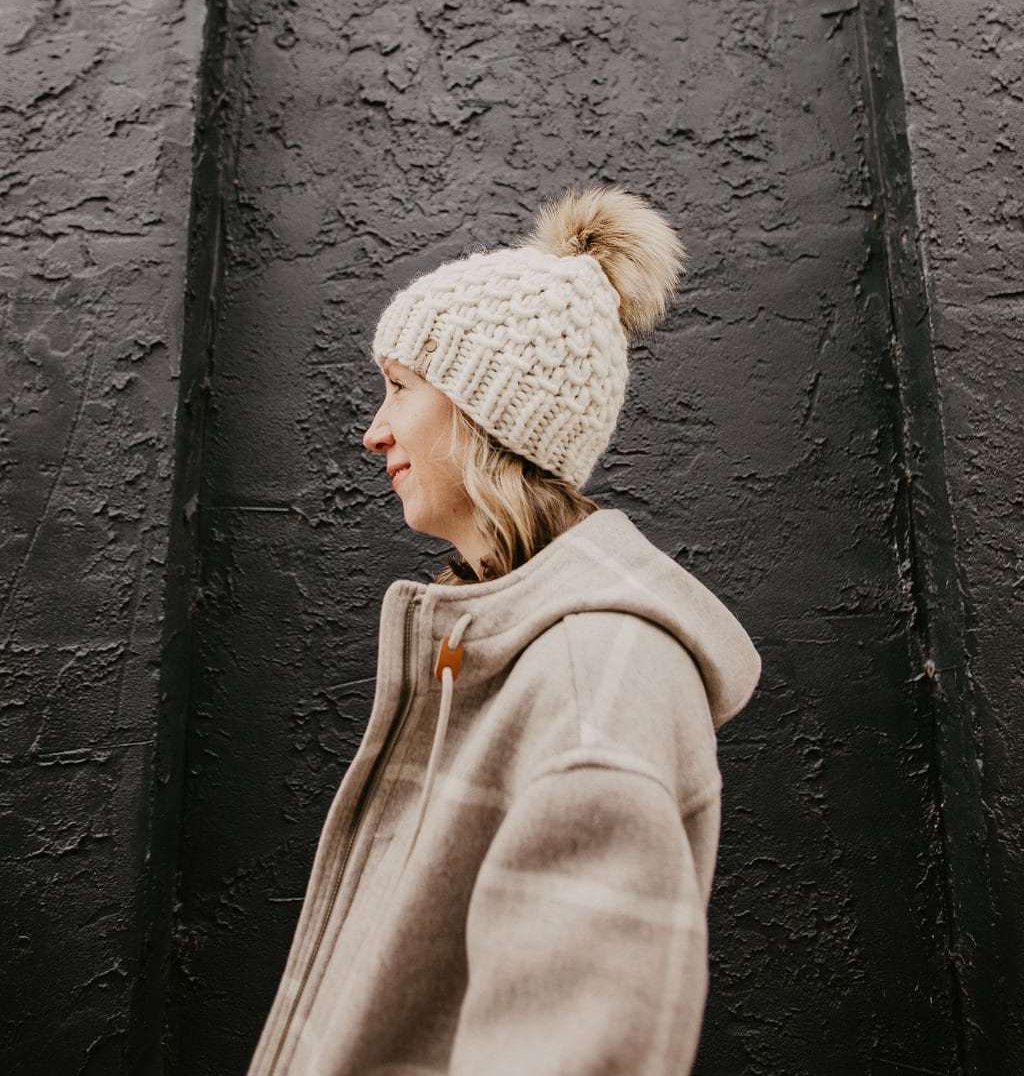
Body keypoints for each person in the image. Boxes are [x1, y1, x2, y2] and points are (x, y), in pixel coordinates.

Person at [247, 187, 761, 1076]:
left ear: (491, 416)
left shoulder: (589, 675)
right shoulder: (504, 651)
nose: (373, 433)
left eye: (401, 388)